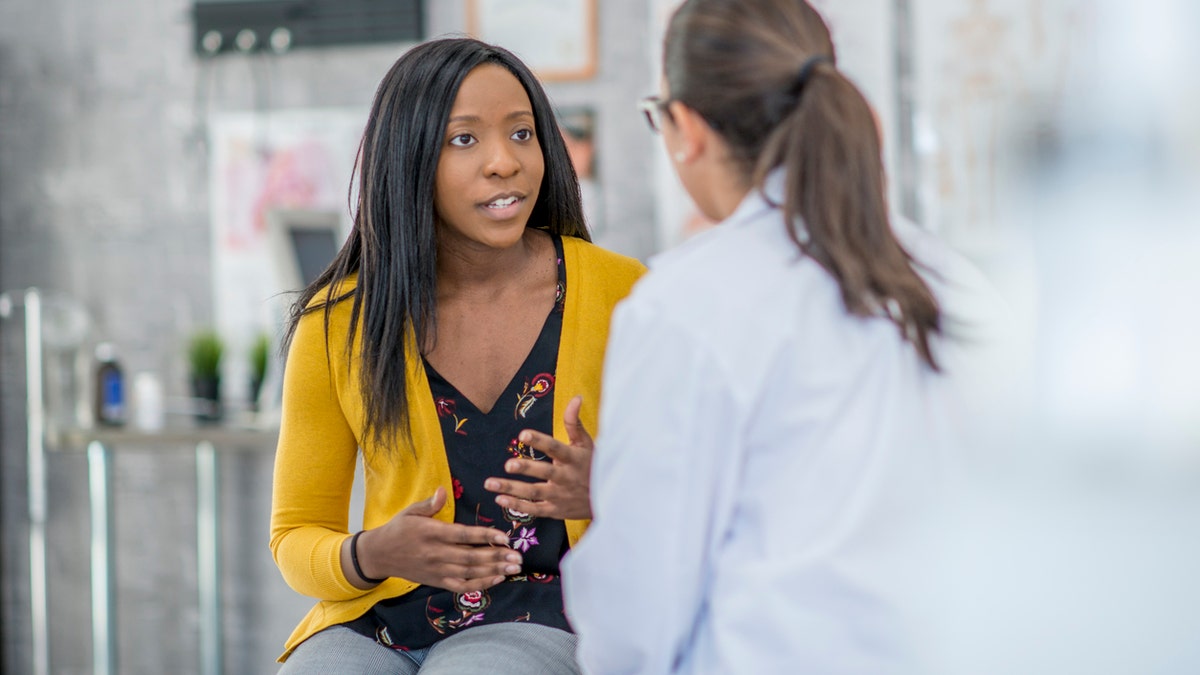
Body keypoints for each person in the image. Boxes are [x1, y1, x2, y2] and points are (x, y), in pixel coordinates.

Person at [555, 1, 1008, 673]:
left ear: (688, 128)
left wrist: (617, 501)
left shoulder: (684, 304)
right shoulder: (950, 281)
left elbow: (635, 621)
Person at [269, 37, 645, 674]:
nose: (505, 162)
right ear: (410, 158)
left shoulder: (624, 295)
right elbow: (296, 533)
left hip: (549, 610)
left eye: (522, 133)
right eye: (464, 139)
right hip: (378, 619)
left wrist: (608, 489)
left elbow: (704, 493)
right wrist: (373, 553)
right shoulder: (336, 321)